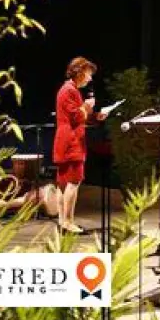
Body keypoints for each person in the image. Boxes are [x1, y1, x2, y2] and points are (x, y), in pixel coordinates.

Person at [53, 57, 107, 234]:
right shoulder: (70, 91)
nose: (90, 79)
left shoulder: (68, 90)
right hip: (71, 141)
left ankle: (63, 221)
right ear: (79, 72)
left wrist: (95, 116)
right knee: (74, 181)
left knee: (63, 183)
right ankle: (68, 223)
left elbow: (76, 117)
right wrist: (87, 105)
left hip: (65, 139)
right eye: (88, 74)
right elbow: (76, 117)